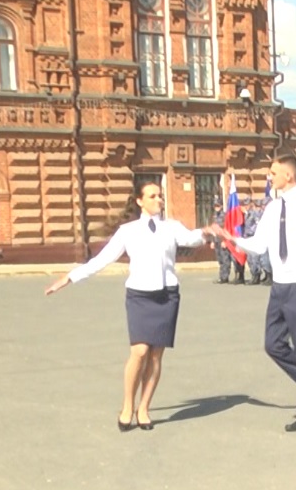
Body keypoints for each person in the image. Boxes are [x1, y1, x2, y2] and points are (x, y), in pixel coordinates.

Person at [45, 181, 211, 431]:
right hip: (140, 297)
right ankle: (127, 406)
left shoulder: (171, 227)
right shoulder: (128, 231)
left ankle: (144, 408)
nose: (159, 200)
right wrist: (69, 277)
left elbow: (191, 239)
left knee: (156, 356)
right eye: (153, 196)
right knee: (140, 351)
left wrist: (208, 232)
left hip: (167, 296)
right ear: (139, 201)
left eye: (160, 196)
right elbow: (101, 260)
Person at [213, 154, 296, 432]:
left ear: (289, 176)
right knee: (273, 344)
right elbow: (259, 245)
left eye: (273, 173)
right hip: (280, 286)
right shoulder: (272, 208)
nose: (269, 177)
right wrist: (231, 238)